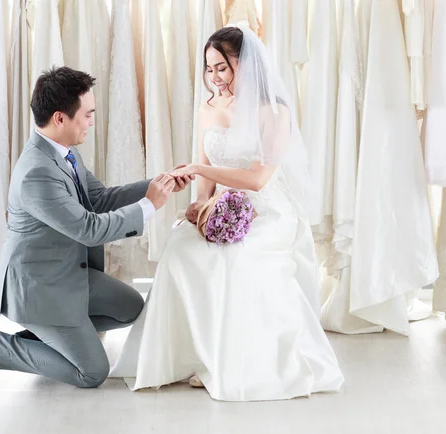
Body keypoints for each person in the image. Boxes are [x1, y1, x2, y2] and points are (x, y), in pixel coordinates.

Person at [110, 23, 344, 401]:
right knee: (180, 251)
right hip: (221, 207)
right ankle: (188, 357)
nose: (214, 77)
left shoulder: (274, 112)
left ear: (245, 65)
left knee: (238, 258)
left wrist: (201, 171)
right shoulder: (207, 109)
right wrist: (199, 205)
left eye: (222, 67)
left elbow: (258, 180)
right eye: (209, 68)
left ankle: (231, 364)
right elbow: (205, 180)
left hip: (268, 210)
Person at [0, 66, 193, 389]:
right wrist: (149, 206)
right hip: (38, 290)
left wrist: (158, 184)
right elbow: (89, 229)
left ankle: (57, 336)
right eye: (87, 114)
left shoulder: (63, 153)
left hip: (67, 274)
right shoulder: (37, 173)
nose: (91, 121)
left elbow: (98, 199)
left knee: (130, 308)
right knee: (92, 373)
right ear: (60, 118)